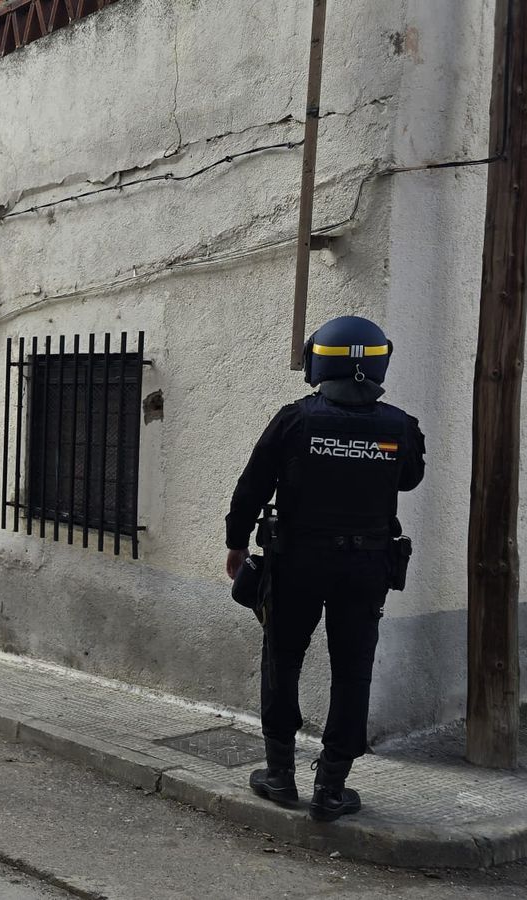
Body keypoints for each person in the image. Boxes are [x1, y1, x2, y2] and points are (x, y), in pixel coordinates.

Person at [225, 315, 425, 823]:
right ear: (379, 362)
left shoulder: (294, 420)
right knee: (352, 670)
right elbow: (409, 481)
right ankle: (331, 789)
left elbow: (252, 487)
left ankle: (280, 775)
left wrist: (235, 543)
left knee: (283, 660)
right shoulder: (401, 427)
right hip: (364, 568)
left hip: (297, 563)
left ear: (319, 362)